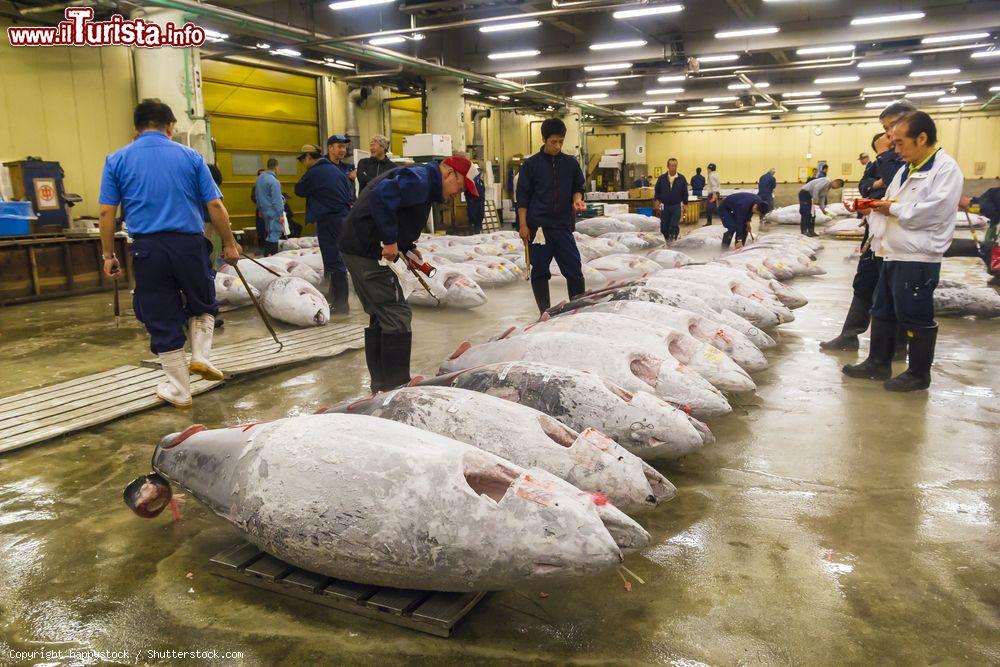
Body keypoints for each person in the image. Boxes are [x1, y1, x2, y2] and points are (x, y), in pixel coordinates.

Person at [98, 99, 241, 408]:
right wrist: (229, 243)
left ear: (135, 129)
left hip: (147, 249)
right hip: (189, 245)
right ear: (171, 127)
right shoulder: (191, 157)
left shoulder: (117, 160)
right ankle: (201, 355)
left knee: (160, 315)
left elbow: (106, 213)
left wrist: (108, 255)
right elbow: (215, 205)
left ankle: (180, 390)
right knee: (202, 300)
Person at [843, 111, 963, 392]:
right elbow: (891, 201)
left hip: (918, 256)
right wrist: (871, 206)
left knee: (915, 314)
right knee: (883, 309)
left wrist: (890, 208)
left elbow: (934, 212)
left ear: (922, 138)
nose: (895, 149)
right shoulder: (906, 169)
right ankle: (877, 362)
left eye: (899, 143)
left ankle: (919, 374)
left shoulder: (945, 169)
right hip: (892, 251)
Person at [339, 155, 479, 391]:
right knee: (396, 313)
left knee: (381, 314)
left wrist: (406, 246)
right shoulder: (421, 180)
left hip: (359, 247)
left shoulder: (422, 179)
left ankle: (382, 385)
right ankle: (397, 386)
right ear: (450, 173)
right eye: (461, 186)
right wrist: (390, 241)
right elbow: (381, 197)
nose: (458, 194)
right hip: (366, 250)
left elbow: (396, 210)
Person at [821, 102, 912, 351]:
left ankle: (895, 347)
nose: (888, 134)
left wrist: (884, 156)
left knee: (892, 293)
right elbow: (864, 185)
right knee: (864, 283)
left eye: (891, 127)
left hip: (898, 237)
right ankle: (849, 336)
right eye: (885, 128)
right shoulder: (881, 160)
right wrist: (875, 185)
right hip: (875, 232)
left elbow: (897, 183)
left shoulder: (910, 158)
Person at [516, 117, 587, 313]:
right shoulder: (531, 165)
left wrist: (576, 199)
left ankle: (577, 310)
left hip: (563, 226)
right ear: (544, 139)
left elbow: (578, 187)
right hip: (539, 229)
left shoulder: (570, 164)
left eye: (561, 141)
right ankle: (544, 312)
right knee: (539, 271)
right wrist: (523, 225)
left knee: (574, 270)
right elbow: (522, 199)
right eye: (553, 142)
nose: (557, 146)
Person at [295, 143, 353, 314]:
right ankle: (336, 297)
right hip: (343, 218)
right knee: (338, 258)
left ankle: (341, 303)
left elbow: (299, 189)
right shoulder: (337, 171)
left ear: (308, 157)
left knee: (333, 260)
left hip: (328, 220)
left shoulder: (315, 171)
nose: (304, 163)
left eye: (303, 160)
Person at [254, 158, 284, 256]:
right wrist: (281, 214)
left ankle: (266, 256)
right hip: (274, 211)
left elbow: (257, 195)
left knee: (269, 234)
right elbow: (277, 200)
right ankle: (272, 257)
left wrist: (259, 209)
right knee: (275, 234)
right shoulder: (274, 181)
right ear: (276, 167)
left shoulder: (259, 179)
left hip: (264, 210)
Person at [654, 158, 687, 242]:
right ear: (668, 166)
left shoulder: (681, 178)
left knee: (674, 224)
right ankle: (665, 239)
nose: (674, 168)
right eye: (672, 166)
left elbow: (685, 192)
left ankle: (673, 239)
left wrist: (685, 204)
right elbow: (657, 190)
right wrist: (657, 201)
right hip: (663, 205)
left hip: (676, 205)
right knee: (664, 225)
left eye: (675, 166)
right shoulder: (662, 178)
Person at [327, 134, 357, 201]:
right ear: (330, 148)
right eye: (340, 147)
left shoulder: (347, 168)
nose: (343, 150)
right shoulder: (322, 167)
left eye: (344, 147)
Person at [251, 168, 266, 246]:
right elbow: (253, 197)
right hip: (260, 210)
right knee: (260, 228)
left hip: (269, 210)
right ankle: (261, 245)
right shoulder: (256, 186)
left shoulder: (270, 185)